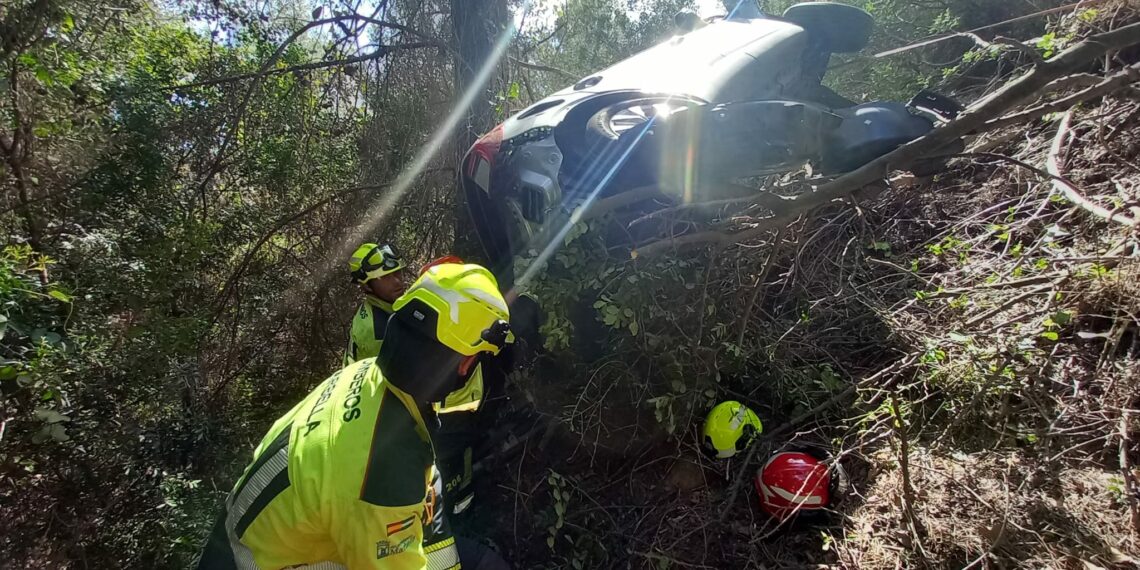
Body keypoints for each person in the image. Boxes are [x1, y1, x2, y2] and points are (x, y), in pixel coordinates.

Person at [197, 263, 513, 569]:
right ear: (464, 364)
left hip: (254, 543)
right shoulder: (385, 471)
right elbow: (383, 492)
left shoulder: (363, 374)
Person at [344, 242, 407, 365]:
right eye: (385, 277)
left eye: (397, 272)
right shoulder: (376, 331)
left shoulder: (383, 305)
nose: (397, 281)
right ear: (366, 286)